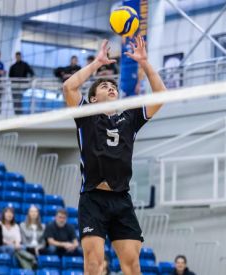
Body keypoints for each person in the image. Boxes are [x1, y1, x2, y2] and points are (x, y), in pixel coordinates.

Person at [62, 36, 165, 275]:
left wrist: (145, 63)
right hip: (93, 199)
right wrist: (97, 64)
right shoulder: (86, 115)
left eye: (114, 87)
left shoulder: (129, 118)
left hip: (121, 199)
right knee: (95, 266)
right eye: (105, 86)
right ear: (94, 98)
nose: (112, 87)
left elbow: (160, 94)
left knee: (132, 267)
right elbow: (69, 87)